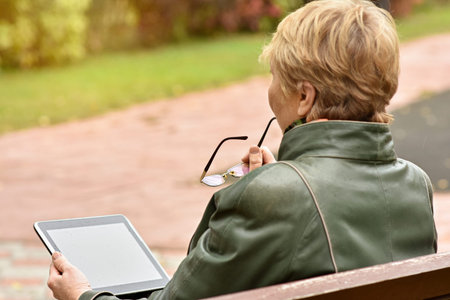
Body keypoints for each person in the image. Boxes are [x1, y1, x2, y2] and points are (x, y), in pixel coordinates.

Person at [47, 0, 437, 299]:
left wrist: (83, 294)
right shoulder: (414, 184)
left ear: (304, 96)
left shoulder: (277, 197)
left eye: (275, 76)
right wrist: (279, 179)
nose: (270, 90)